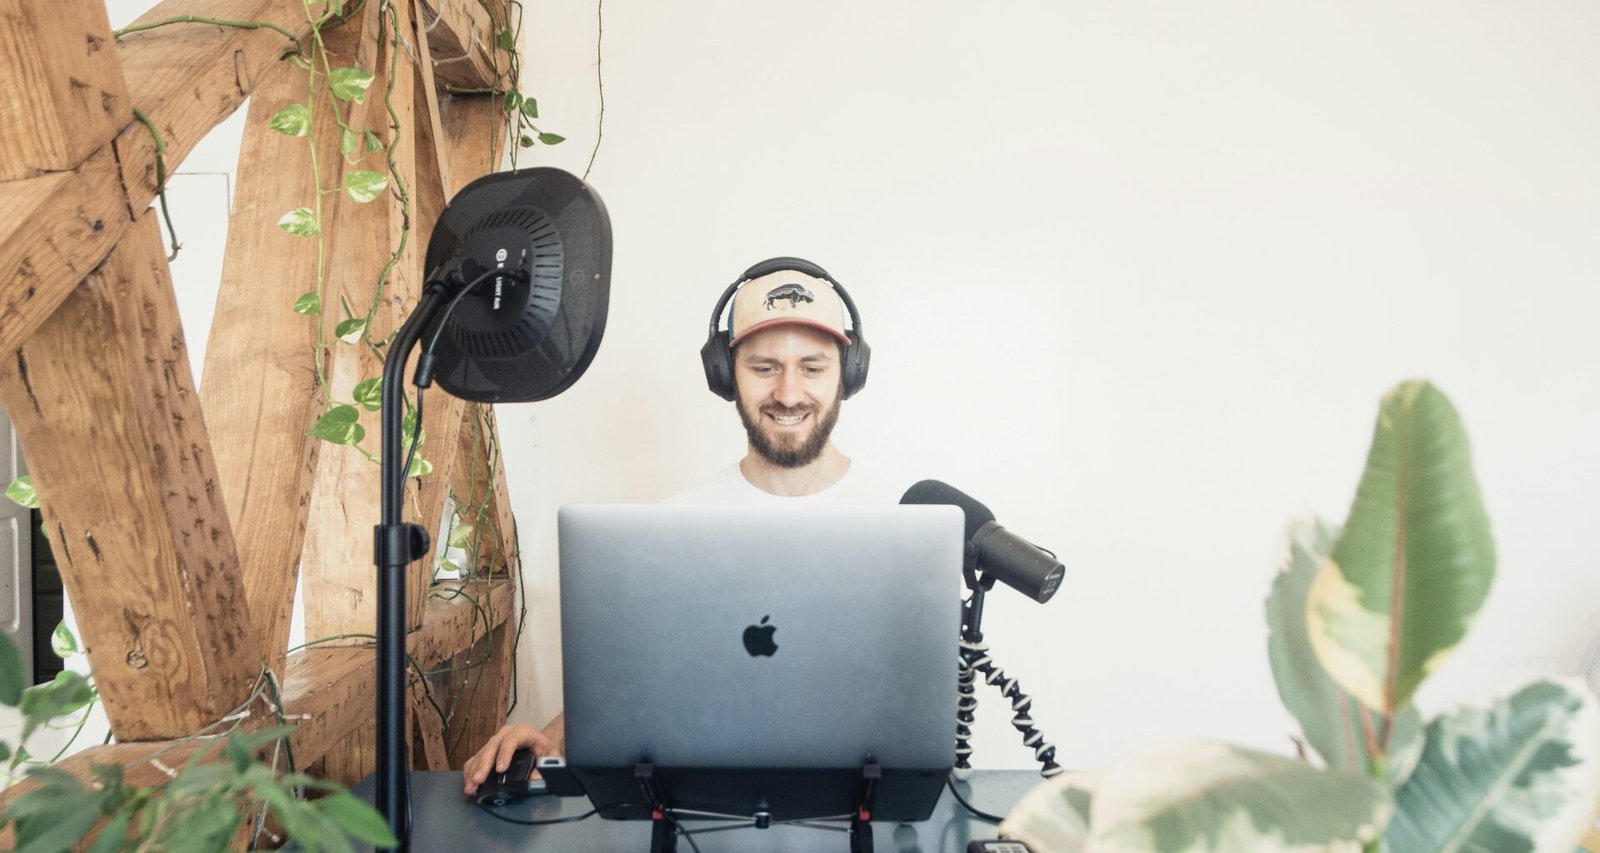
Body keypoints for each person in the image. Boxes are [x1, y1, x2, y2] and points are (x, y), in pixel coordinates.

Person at [463, 257, 897, 795]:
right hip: (702, 813)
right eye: (764, 368)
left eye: (812, 367)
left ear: (849, 375)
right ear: (724, 375)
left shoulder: (904, 523)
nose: (788, 393)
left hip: (861, 807)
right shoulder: (673, 527)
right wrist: (550, 741)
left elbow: (923, 697)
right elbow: (626, 677)